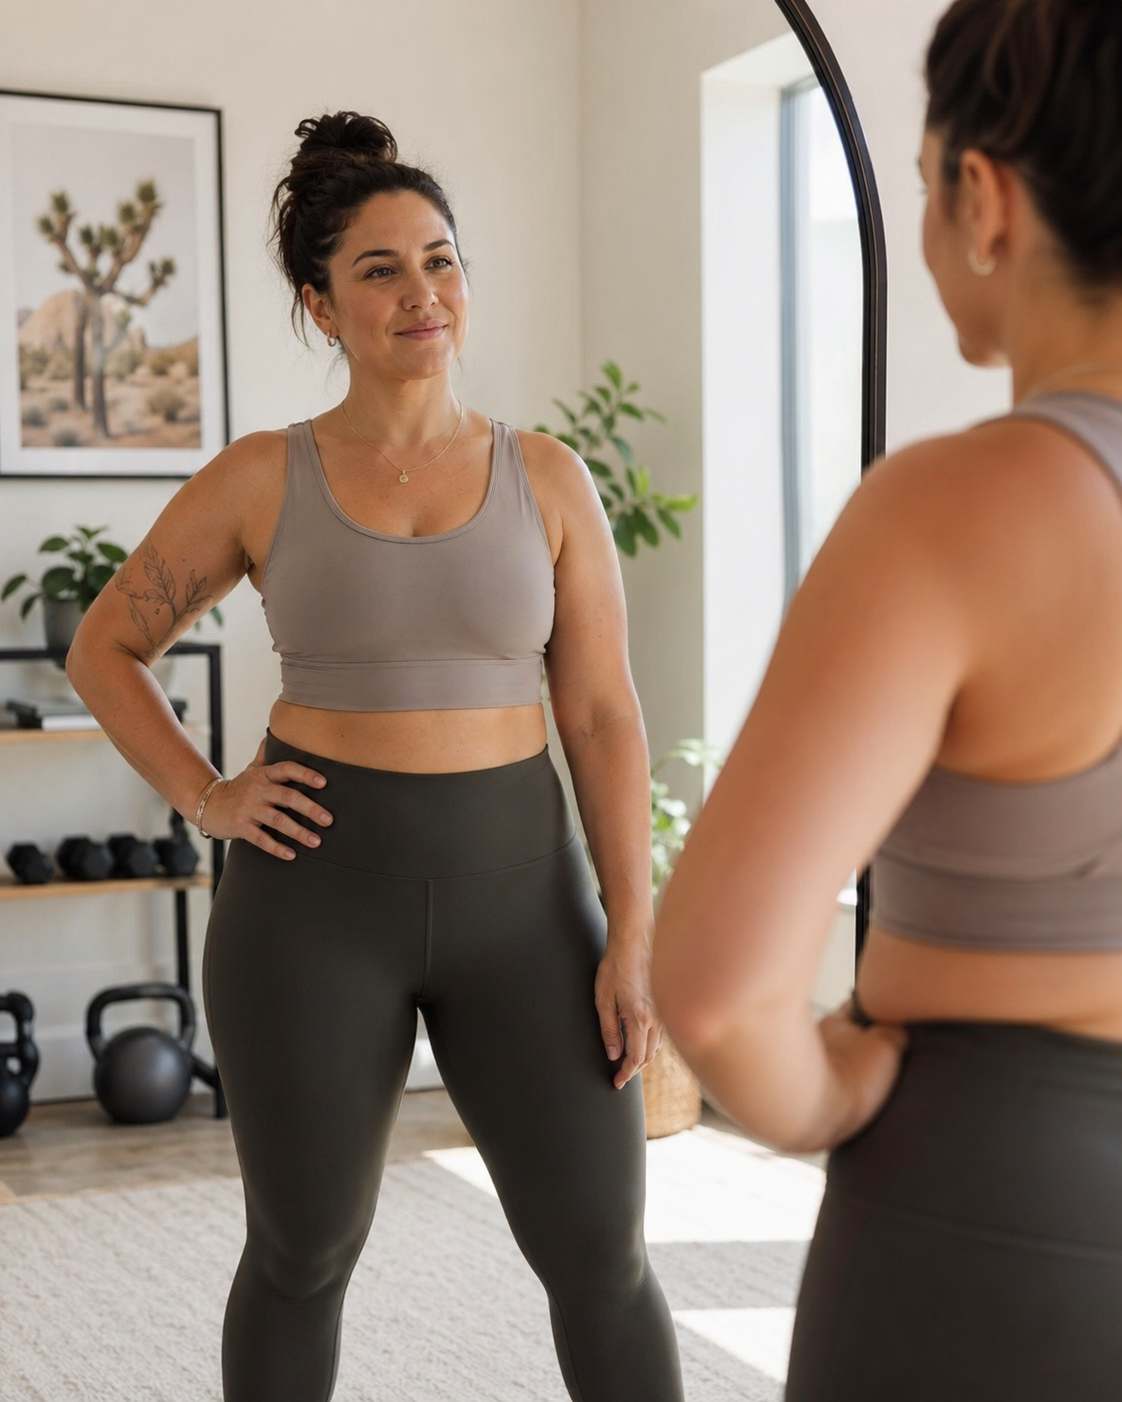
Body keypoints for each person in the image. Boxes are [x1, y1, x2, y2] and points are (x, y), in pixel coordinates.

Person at [67, 111, 683, 1402]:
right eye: (381, 269)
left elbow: (603, 718)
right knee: (301, 1252)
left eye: (441, 258)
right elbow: (105, 649)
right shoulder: (259, 477)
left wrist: (632, 927)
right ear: (319, 303)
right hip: (310, 904)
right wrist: (206, 795)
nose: (424, 293)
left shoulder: (548, 478)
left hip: (526, 900)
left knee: (597, 1251)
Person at [652, 1, 1122, 1397]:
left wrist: (826, 1092)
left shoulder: (960, 508)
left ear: (982, 196)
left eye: (923, 185)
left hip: (1002, 1207)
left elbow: (720, 985)